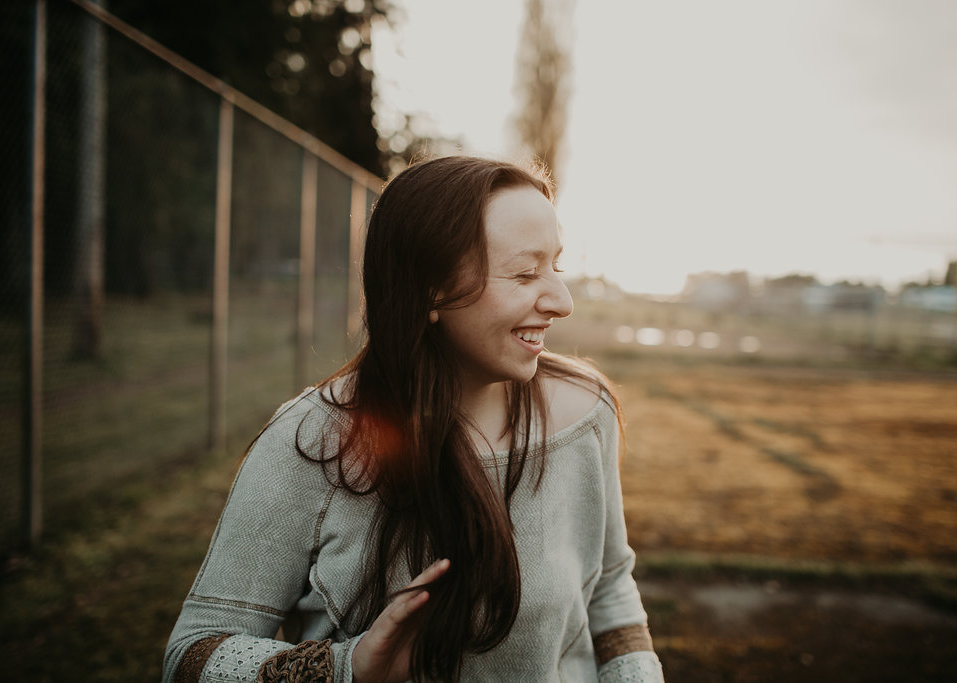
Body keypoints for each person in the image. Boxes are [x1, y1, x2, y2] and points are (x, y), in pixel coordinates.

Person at [163, 155, 663, 682]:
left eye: (554, 267)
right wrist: (343, 667)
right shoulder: (312, 440)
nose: (562, 302)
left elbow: (608, 588)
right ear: (432, 286)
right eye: (524, 272)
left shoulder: (587, 413)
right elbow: (191, 655)